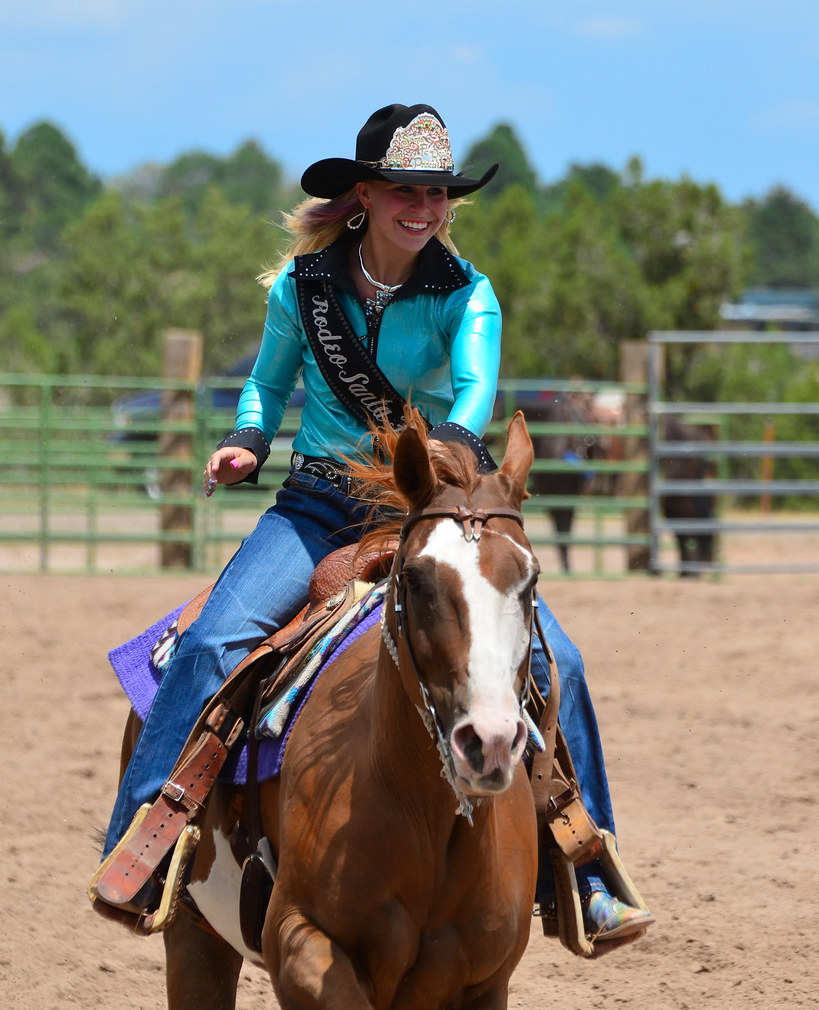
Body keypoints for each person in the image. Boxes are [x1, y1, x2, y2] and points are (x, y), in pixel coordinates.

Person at [93, 103, 651, 946]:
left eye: (437, 192)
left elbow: (470, 401)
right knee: (212, 643)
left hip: (430, 502)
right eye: (405, 190)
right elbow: (266, 388)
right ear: (364, 194)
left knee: (557, 658)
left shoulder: (468, 296)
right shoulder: (302, 287)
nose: (423, 207)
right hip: (315, 506)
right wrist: (246, 441)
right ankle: (145, 839)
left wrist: (437, 473)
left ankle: (586, 862)